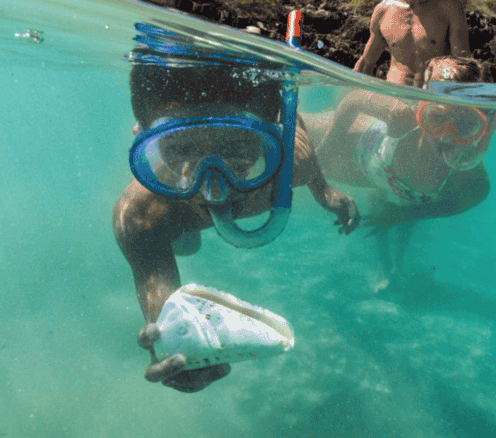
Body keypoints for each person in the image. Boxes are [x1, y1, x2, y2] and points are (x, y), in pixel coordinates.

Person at [113, 50, 359, 394]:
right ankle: (185, 236)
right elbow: (165, 314)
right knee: (183, 242)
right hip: (178, 223)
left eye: (239, 146)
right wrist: (172, 345)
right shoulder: (142, 215)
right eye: (180, 148)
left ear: (277, 134)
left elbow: (297, 130)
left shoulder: (293, 164)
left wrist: (325, 192)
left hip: (189, 206)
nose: (214, 189)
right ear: (142, 137)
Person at [305, 56, 496, 286]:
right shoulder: (403, 115)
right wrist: (328, 148)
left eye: (465, 125)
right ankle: (387, 263)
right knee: (291, 132)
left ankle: (390, 269)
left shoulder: (466, 167)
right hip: (367, 151)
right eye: (436, 118)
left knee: (398, 215)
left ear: (478, 127)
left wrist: (404, 215)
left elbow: (473, 197)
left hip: (400, 188)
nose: (447, 134)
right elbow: (353, 99)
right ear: (422, 109)